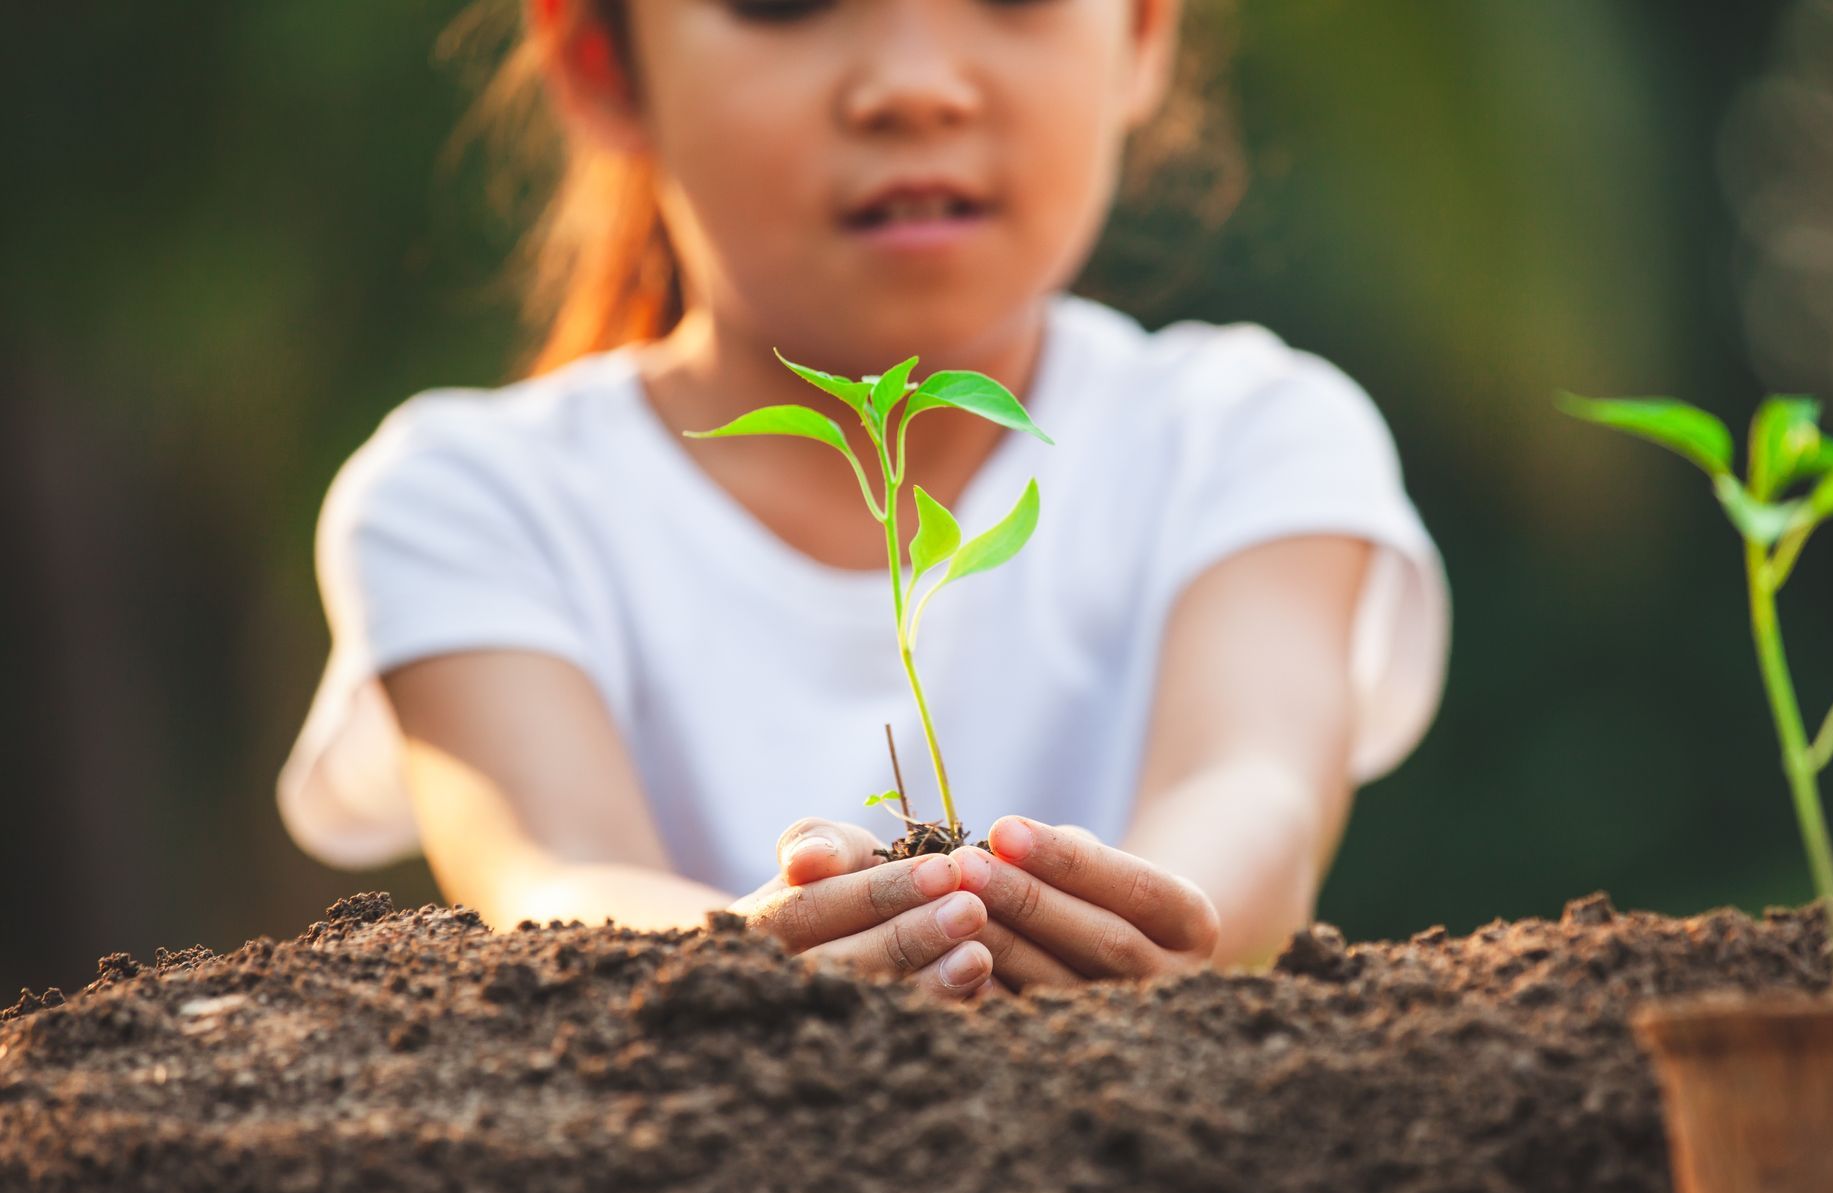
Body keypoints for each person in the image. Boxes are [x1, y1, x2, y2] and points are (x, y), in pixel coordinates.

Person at [277, 0, 1449, 1001]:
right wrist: (749, 973)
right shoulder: (472, 502)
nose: (914, 87)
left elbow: (1252, 796)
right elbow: (556, 879)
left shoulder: (1247, 437)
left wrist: (1131, 930)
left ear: (1142, 30)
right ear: (600, 63)